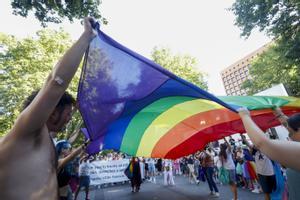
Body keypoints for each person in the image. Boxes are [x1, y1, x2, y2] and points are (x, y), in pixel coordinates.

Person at [0, 18, 96, 199]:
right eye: (68, 114)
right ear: (52, 112)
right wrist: (86, 37)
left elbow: (55, 166)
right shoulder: (28, 130)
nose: (69, 119)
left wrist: (81, 148)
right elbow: (55, 83)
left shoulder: (45, 141)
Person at [238, 107, 300, 199]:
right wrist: (279, 115)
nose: (290, 137)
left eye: (290, 133)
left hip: (269, 172)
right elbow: (293, 127)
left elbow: (263, 143)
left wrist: (245, 116)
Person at [241, 134, 276, 200]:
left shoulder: (266, 149)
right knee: (266, 193)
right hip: (262, 174)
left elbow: (267, 139)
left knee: (273, 191)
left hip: (270, 173)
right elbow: (248, 144)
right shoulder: (255, 153)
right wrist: (242, 137)